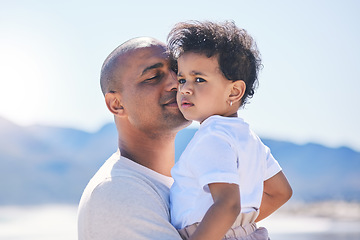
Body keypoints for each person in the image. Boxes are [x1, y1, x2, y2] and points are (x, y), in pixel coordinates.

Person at [167, 21, 293, 240]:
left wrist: (221, 227)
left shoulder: (212, 136)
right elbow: (281, 192)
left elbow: (228, 205)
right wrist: (238, 226)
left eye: (199, 79)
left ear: (234, 92)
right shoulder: (248, 138)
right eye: (182, 79)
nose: (185, 88)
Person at [77, 37, 191, 240]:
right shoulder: (118, 191)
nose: (176, 83)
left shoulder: (176, 184)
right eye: (153, 76)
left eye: (178, 72)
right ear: (116, 104)